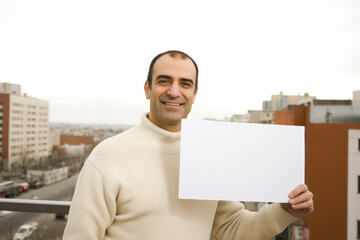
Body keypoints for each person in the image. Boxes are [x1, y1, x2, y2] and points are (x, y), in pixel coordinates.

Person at [63, 50, 314, 240]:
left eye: (185, 83)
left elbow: (232, 227)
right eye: (164, 81)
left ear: (194, 93)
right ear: (147, 88)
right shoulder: (109, 155)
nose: (174, 91)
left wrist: (285, 210)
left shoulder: (209, 153)